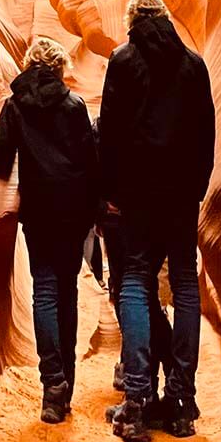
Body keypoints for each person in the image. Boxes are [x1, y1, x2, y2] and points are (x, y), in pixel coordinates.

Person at [99, 0, 215, 442]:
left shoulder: (123, 60)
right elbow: (206, 133)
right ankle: (181, 403)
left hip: (139, 196)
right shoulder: (193, 65)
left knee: (135, 280)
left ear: (131, 21)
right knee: (186, 285)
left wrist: (110, 193)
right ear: (165, 19)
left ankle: (137, 401)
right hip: (182, 196)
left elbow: (110, 133)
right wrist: (197, 187)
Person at [0, 37, 98, 424]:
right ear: (58, 67)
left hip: (38, 211)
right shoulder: (73, 105)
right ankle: (65, 382)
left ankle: (52, 386)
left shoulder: (15, 106)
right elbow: (90, 161)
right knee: (66, 292)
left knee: (45, 292)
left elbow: (0, 158)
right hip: (72, 212)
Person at [93, 117, 173, 399]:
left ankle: (139, 376)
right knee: (144, 293)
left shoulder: (103, 125)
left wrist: (101, 207)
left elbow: (91, 171)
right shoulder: (153, 119)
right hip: (151, 217)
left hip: (119, 221)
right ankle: (169, 377)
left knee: (129, 291)